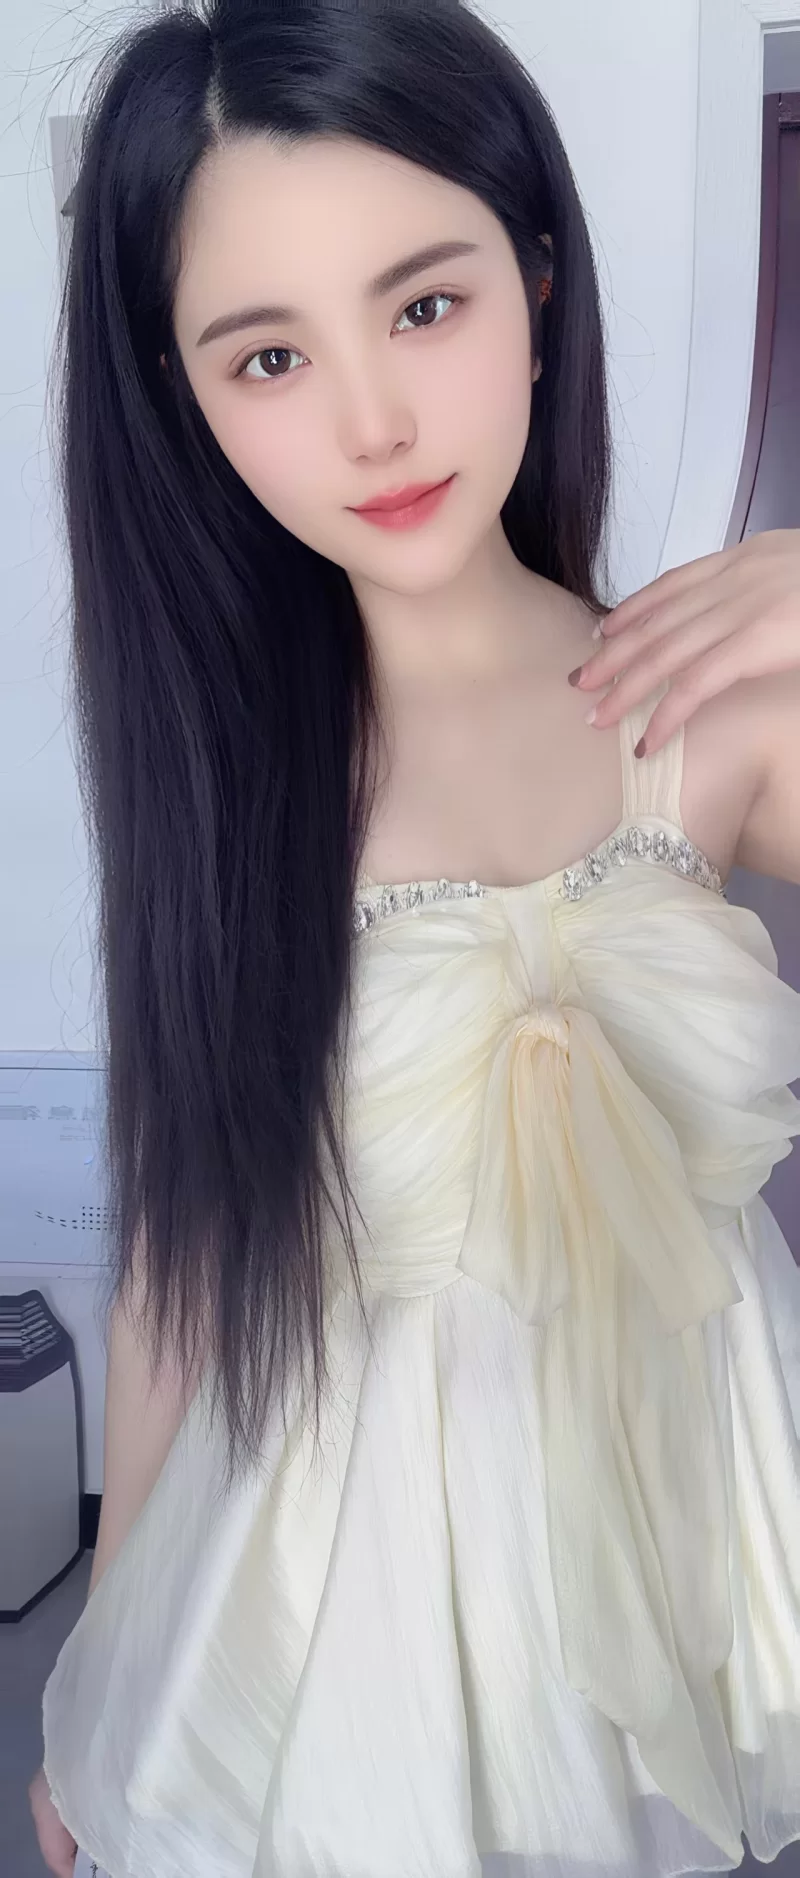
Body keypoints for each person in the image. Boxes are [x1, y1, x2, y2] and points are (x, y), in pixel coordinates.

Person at [27, 1, 800, 1874]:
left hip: (670, 1536)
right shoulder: (230, 789)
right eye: (269, 355)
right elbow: (187, 1251)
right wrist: (113, 1655)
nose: (369, 419)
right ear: (188, 399)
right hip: (335, 1591)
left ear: (536, 279)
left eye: (425, 304)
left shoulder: (715, 719)